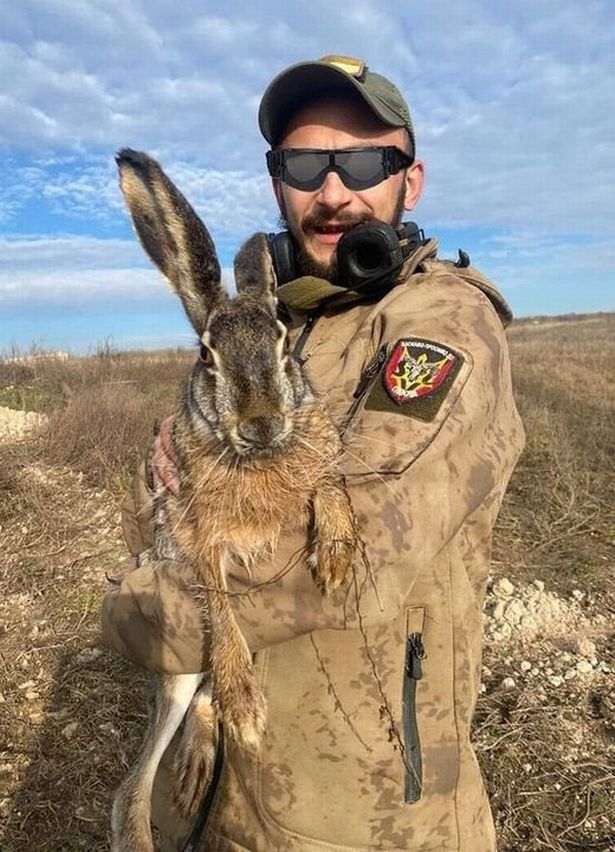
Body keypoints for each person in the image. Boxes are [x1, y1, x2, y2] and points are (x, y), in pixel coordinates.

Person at [102, 55, 525, 851]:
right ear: (278, 184)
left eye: (364, 161)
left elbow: (356, 554)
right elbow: (168, 495)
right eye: (305, 165)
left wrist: (134, 609)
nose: (332, 191)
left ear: (412, 179)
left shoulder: (438, 325)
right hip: (229, 798)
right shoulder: (285, 324)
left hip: (362, 818)